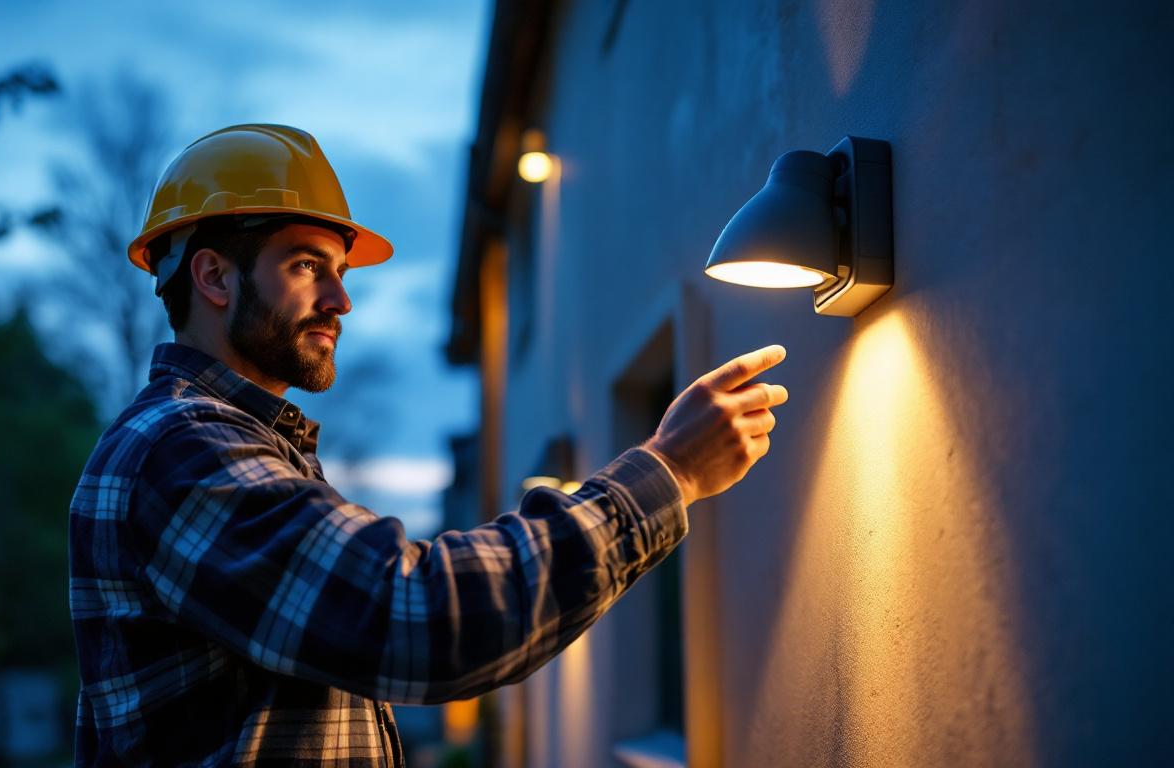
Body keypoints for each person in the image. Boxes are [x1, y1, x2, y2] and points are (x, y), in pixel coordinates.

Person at [68, 124, 791, 767]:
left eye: (340, 273)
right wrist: (666, 475)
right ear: (214, 276)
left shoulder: (235, 447)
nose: (340, 301)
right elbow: (410, 616)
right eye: (305, 266)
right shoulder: (181, 450)